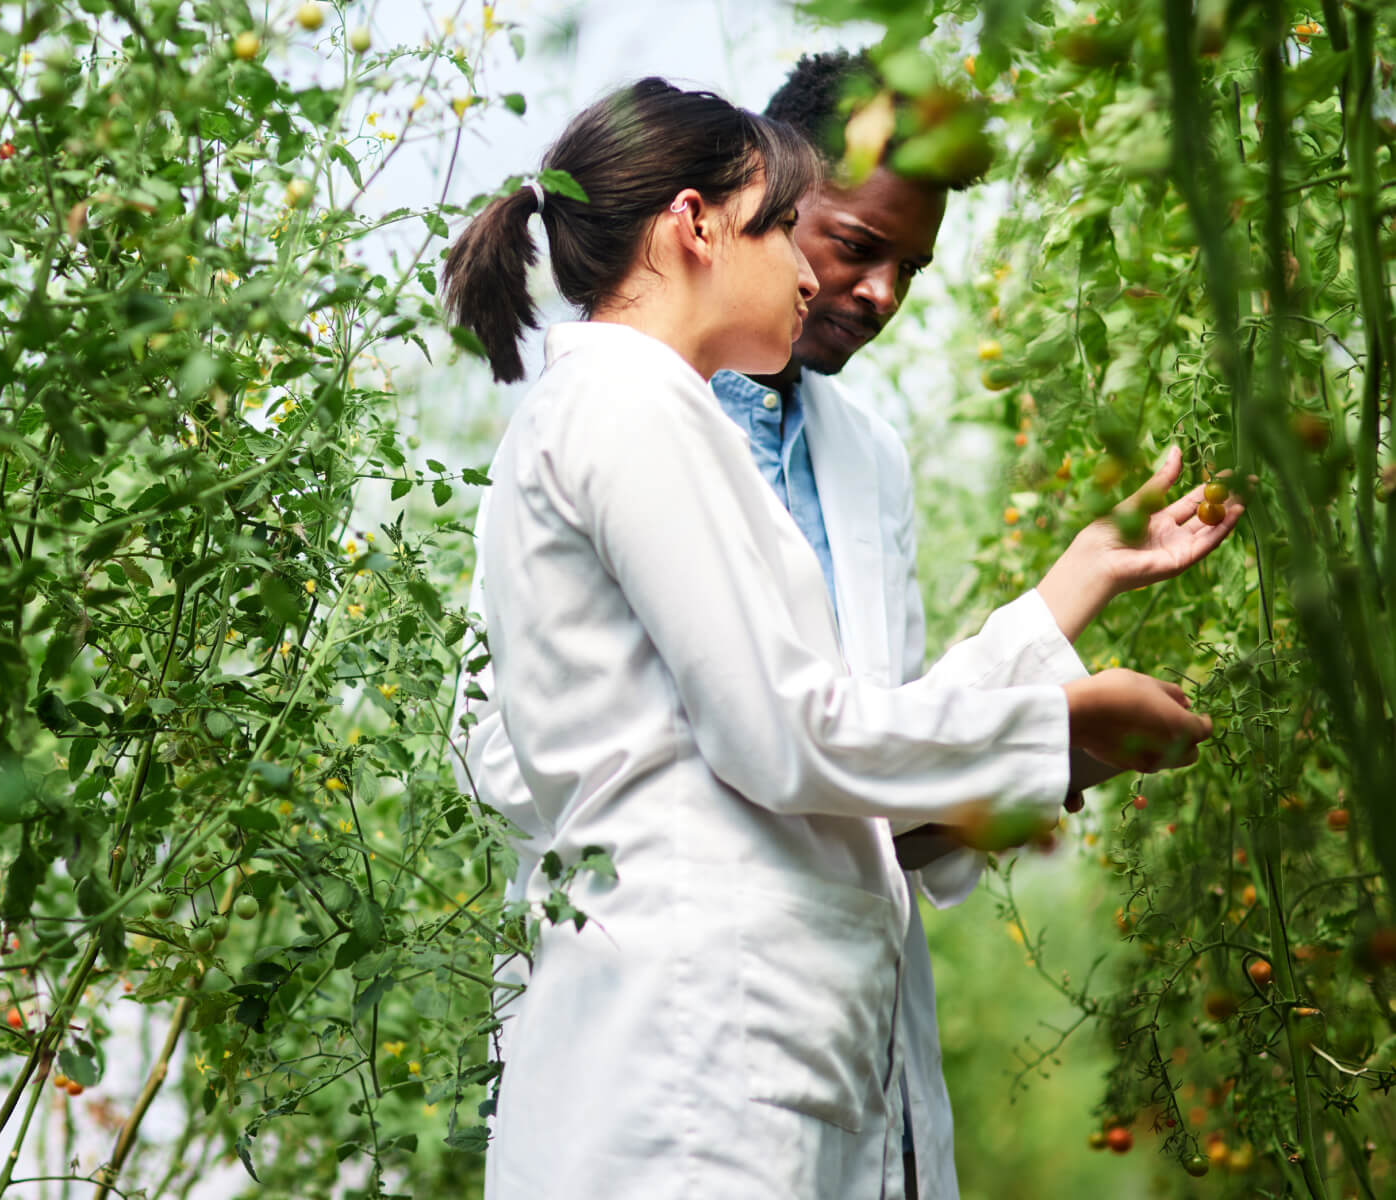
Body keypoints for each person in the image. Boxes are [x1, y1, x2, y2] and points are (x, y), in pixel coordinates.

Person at [441, 76, 1216, 1199]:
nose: (826, 279)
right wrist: (1053, 723)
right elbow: (787, 736)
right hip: (690, 1043)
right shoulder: (634, 410)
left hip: (765, 1043)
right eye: (794, 233)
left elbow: (833, 734)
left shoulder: (695, 421)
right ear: (695, 224)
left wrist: (1065, 616)